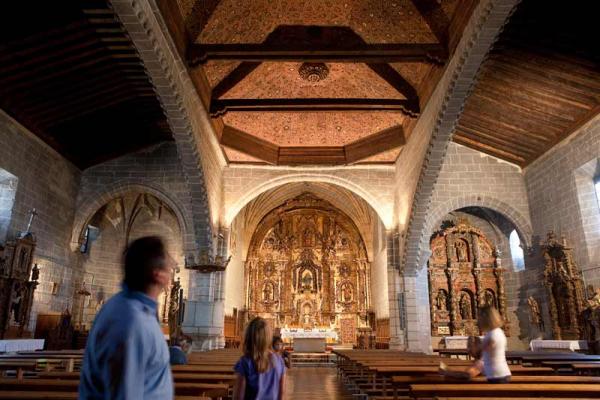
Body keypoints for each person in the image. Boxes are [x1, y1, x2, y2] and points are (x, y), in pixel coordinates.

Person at [79, 236, 176, 400]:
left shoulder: (132, 310)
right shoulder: (131, 322)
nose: (173, 266)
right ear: (158, 274)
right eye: (169, 264)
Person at [233, 317, 286, 400]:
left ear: (248, 336)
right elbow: (281, 394)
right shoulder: (279, 361)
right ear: (269, 337)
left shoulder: (245, 362)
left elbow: (238, 397)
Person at [478, 306, 511, 383]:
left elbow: (486, 349)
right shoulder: (497, 331)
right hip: (497, 373)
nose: (478, 320)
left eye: (480, 317)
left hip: (497, 374)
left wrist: (476, 348)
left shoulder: (493, 334)